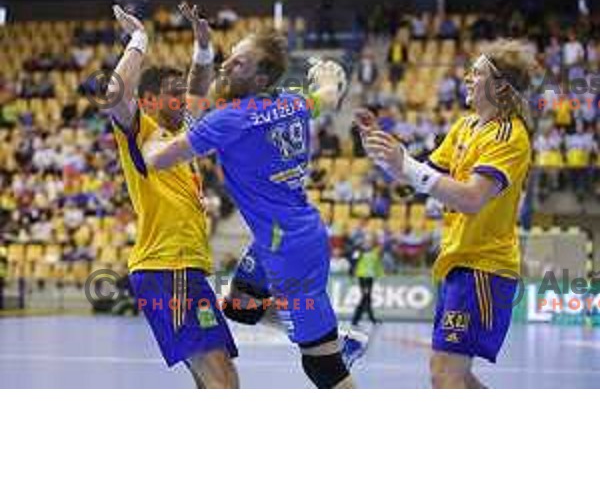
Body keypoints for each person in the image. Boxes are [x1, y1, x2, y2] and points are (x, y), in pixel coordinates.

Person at [145, 29, 358, 389]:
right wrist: (328, 76)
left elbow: (156, 159)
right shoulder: (293, 101)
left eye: (238, 62)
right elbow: (328, 95)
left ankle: (330, 344)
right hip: (278, 235)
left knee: (322, 368)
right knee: (239, 306)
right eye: (230, 55)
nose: (226, 64)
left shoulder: (229, 120)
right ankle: (330, 335)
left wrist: (151, 131)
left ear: (259, 77)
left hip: (289, 249)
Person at [357, 39, 534, 389]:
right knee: (456, 375)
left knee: (445, 373)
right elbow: (418, 179)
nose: (468, 78)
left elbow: (471, 198)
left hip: (483, 265)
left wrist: (406, 165)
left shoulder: (509, 136)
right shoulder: (465, 127)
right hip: (457, 262)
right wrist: (383, 151)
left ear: (500, 85)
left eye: (477, 73)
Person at [103, 5, 239, 389]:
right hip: (167, 269)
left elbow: (198, 87)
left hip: (187, 268)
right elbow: (114, 94)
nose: (183, 100)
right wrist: (139, 39)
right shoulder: (142, 131)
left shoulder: (182, 141)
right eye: (171, 94)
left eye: (182, 94)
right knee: (223, 382)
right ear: (146, 101)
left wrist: (203, 45)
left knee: (212, 378)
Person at [351, 241, 383, 327]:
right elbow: (353, 260)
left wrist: (380, 274)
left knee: (366, 298)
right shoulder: (359, 253)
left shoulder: (374, 254)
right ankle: (357, 319)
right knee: (365, 298)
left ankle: (364, 319)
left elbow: (377, 265)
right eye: (365, 244)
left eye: (369, 243)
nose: (367, 245)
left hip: (370, 278)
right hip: (363, 278)